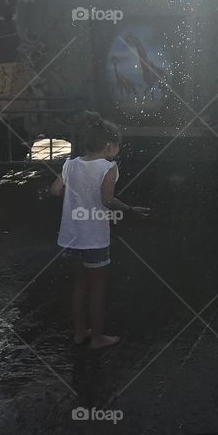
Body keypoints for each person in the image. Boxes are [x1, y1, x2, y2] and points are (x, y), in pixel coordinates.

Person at [50, 111, 150, 349]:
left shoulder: (70, 164)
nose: (118, 150)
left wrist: (76, 197)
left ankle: (79, 333)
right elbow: (107, 201)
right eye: (117, 145)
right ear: (108, 145)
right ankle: (97, 338)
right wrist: (130, 209)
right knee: (97, 289)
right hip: (94, 240)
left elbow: (55, 190)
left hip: (70, 238)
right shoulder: (108, 167)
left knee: (79, 285)